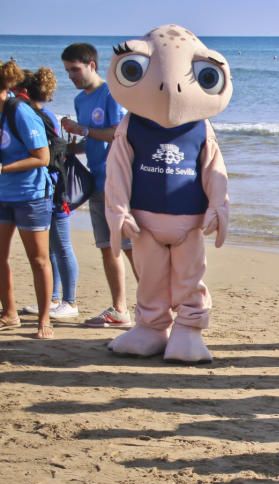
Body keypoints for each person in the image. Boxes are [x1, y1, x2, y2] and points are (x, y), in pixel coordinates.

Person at [60, 43, 133, 329]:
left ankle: (154, 308)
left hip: (119, 181)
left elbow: (119, 134)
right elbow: (92, 141)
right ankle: (119, 309)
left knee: (130, 248)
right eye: (67, 71)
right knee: (107, 247)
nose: (71, 76)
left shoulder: (111, 94)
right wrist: (70, 148)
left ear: (91, 65)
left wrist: (84, 130)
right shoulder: (81, 100)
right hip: (96, 181)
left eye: (75, 70)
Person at [18, 67, 80, 321]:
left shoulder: (39, 116)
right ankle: (54, 297)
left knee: (62, 245)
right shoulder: (42, 115)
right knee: (51, 247)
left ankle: (70, 300)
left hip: (54, 189)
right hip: (50, 186)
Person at [0, 59, 54, 339]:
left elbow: (42, 157)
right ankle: (9, 313)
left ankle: (44, 319)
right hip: (2, 195)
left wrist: (3, 168)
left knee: (38, 259)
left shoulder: (20, 112)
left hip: (31, 195)